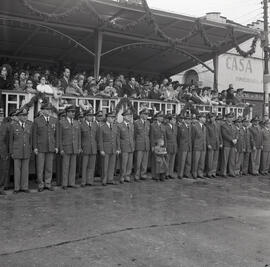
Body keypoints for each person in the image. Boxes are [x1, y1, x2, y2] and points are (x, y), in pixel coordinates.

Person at [32, 103, 58, 192]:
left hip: (51, 146)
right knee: (40, 167)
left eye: (50, 109)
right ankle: (40, 184)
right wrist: (35, 147)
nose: (49, 111)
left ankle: (48, 183)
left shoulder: (54, 120)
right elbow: (34, 135)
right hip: (40, 147)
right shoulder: (37, 120)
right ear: (42, 110)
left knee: (49, 167)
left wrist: (56, 146)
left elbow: (56, 135)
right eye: (46, 109)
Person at [57, 105, 81, 189]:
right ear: (67, 113)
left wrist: (79, 147)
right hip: (66, 147)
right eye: (71, 112)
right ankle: (65, 184)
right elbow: (59, 137)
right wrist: (61, 148)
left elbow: (78, 136)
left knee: (73, 166)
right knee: (65, 166)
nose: (73, 113)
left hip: (74, 148)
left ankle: (71, 183)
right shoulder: (61, 122)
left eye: (74, 112)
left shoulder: (76, 122)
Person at [9, 109, 32, 193]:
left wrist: (30, 149)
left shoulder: (29, 125)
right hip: (17, 151)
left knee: (25, 170)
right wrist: (11, 152)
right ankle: (17, 188)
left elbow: (30, 139)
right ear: (18, 116)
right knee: (17, 170)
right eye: (23, 115)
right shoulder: (13, 126)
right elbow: (11, 140)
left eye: (26, 115)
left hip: (26, 151)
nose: (25, 117)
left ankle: (24, 187)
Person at [98, 111, 120, 186]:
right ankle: (104, 180)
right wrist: (101, 150)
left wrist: (118, 148)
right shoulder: (102, 127)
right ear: (107, 118)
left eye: (114, 118)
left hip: (113, 148)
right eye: (111, 117)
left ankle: (110, 179)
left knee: (112, 165)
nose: (113, 119)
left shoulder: (115, 127)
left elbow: (117, 139)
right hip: (105, 149)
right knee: (105, 165)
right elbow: (100, 140)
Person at [80, 109, 98, 186]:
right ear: (85, 116)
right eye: (89, 116)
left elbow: (97, 137)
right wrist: (80, 147)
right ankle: (83, 181)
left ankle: (90, 181)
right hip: (85, 147)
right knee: (84, 166)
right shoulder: (81, 125)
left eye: (92, 116)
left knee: (91, 166)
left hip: (93, 148)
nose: (91, 117)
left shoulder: (95, 125)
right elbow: (79, 137)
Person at [118, 109, 134, 183]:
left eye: (130, 116)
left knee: (130, 163)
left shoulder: (131, 125)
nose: (129, 117)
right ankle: (122, 176)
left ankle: (127, 176)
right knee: (123, 163)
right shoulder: (120, 125)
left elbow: (133, 136)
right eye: (127, 116)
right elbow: (118, 138)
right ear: (124, 117)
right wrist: (119, 147)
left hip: (131, 146)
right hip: (124, 146)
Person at [134, 108, 150, 181]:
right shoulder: (136, 123)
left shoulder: (148, 123)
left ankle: (143, 174)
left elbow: (148, 134)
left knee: (145, 162)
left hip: (146, 144)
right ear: (141, 114)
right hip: (139, 144)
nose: (146, 116)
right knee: (138, 161)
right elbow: (134, 135)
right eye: (145, 114)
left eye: (147, 114)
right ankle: (137, 175)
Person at [220, 113, 238, 177]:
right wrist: (231, 139)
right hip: (227, 144)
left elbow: (236, 133)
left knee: (232, 159)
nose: (230, 119)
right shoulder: (223, 126)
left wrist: (236, 138)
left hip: (233, 145)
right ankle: (223, 172)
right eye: (229, 117)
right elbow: (224, 134)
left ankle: (231, 172)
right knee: (225, 159)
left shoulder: (234, 126)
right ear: (226, 118)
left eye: (231, 118)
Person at [150, 111, 166, 180]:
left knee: (162, 161)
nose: (162, 118)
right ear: (157, 118)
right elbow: (151, 136)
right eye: (160, 117)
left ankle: (161, 175)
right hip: (156, 145)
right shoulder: (153, 125)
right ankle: (155, 175)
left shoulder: (163, 126)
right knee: (155, 161)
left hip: (162, 146)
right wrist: (152, 146)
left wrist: (165, 146)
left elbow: (165, 137)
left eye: (162, 117)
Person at [205, 113, 222, 178]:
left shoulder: (217, 125)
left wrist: (221, 142)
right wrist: (208, 144)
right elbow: (207, 136)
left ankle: (213, 172)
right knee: (210, 159)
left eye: (214, 117)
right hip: (211, 144)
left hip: (217, 144)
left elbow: (219, 134)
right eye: (211, 117)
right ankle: (209, 173)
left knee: (215, 159)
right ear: (209, 118)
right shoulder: (207, 125)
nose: (213, 118)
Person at [191, 113, 207, 179]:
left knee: (202, 161)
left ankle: (200, 173)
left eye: (205, 118)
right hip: (197, 146)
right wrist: (194, 145)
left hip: (203, 146)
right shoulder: (195, 126)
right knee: (196, 161)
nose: (205, 119)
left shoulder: (204, 127)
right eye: (203, 117)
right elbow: (192, 137)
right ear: (200, 118)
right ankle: (194, 173)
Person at [177, 114, 192, 179]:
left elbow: (192, 137)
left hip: (189, 146)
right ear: (185, 120)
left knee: (188, 161)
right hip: (183, 146)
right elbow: (178, 137)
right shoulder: (181, 127)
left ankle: (187, 173)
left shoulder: (191, 127)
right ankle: (180, 174)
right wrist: (180, 145)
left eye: (189, 119)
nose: (188, 121)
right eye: (187, 119)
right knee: (182, 161)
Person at [164, 114, 177, 179]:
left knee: (172, 161)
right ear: (170, 120)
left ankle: (170, 173)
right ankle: (166, 174)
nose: (175, 121)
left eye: (175, 119)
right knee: (167, 161)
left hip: (174, 146)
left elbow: (176, 137)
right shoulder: (166, 127)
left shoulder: (175, 127)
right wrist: (165, 147)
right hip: (168, 146)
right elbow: (165, 138)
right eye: (173, 119)